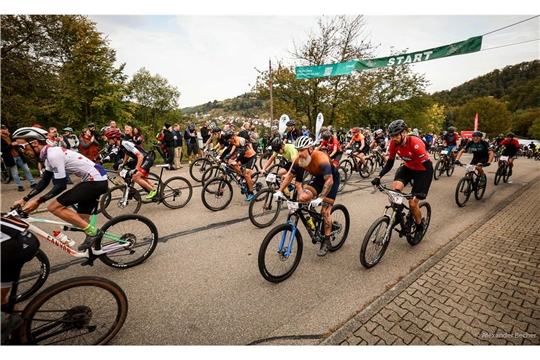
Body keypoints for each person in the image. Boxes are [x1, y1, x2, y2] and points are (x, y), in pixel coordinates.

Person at [11, 126, 109, 251]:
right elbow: (45, 181)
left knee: (53, 207)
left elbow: (61, 185)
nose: (22, 151)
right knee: (81, 220)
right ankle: (96, 250)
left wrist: (38, 201)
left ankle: (95, 234)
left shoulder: (54, 155)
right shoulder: (49, 157)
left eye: (22, 147)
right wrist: (25, 199)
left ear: (34, 143)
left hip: (95, 181)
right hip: (94, 180)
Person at [273, 136, 340, 257]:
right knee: (302, 198)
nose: (300, 153)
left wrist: (320, 198)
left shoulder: (322, 158)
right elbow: (289, 176)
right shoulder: (300, 159)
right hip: (318, 179)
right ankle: (314, 215)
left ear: (310, 149)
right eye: (298, 150)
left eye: (302, 150)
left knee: (325, 211)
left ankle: (327, 240)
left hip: (331, 180)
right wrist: (279, 191)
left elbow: (329, 181)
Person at [370, 119, 433, 245]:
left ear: (404, 133)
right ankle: (399, 215)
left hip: (422, 171)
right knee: (394, 192)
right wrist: (379, 176)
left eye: (396, 135)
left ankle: (420, 226)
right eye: (392, 136)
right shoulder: (394, 144)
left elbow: (429, 169)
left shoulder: (415, 143)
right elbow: (390, 163)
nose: (393, 138)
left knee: (413, 203)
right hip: (408, 168)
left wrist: (423, 191)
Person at [1, 213, 40, 342]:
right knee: (2, 303)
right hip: (15, 239)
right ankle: (16, 332)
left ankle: (22, 337)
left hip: (15, 246)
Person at [1, 125, 37, 191]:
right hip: (10, 157)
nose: (6, 130)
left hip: (18, 155)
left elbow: (17, 142)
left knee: (26, 169)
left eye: (6, 128)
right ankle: (19, 186)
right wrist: (11, 145)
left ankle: (33, 183)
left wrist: (17, 144)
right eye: (4, 129)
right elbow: (2, 149)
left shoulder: (11, 136)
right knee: (15, 172)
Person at [225, 131, 258, 201]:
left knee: (247, 174)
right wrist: (226, 156)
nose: (229, 141)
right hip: (244, 156)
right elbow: (229, 149)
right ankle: (241, 176)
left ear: (232, 137)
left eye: (229, 140)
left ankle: (251, 193)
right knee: (233, 164)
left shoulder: (241, 140)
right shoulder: (233, 141)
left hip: (251, 157)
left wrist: (233, 157)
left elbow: (242, 150)